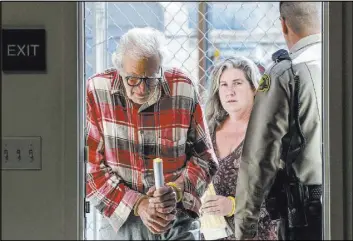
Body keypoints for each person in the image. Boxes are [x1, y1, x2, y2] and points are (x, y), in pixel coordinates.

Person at [85, 27, 218, 240]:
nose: (142, 89)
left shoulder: (182, 88)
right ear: (119, 68)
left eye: (151, 79)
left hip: (176, 215)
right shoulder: (97, 91)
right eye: (133, 79)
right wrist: (140, 204)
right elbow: (89, 169)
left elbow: (205, 160)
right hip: (122, 217)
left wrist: (176, 191)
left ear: (160, 68)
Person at [234, 2, 322, 240]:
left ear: (284, 25)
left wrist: (244, 228)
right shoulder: (339, 60)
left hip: (308, 217)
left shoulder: (286, 74)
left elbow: (259, 157)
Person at [201, 57, 278, 240]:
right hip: (213, 234)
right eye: (224, 85)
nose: (230, 91)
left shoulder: (268, 132)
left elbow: (279, 190)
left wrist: (233, 205)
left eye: (238, 83)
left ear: (254, 89)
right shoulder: (208, 131)